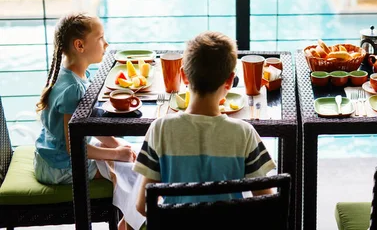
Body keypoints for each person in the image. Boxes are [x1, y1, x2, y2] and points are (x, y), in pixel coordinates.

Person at [134, 31, 276, 216]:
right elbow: (267, 204)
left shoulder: (160, 129)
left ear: (184, 76)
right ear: (230, 81)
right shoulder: (244, 133)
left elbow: (143, 206)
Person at [34, 13, 136, 229]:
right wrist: (116, 153)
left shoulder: (71, 75)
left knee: (129, 154)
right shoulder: (73, 90)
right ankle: (127, 225)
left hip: (49, 156)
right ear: (80, 45)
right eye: (100, 38)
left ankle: (127, 222)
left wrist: (115, 143)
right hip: (58, 167)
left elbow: (84, 124)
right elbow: (74, 147)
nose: (106, 44)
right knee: (130, 171)